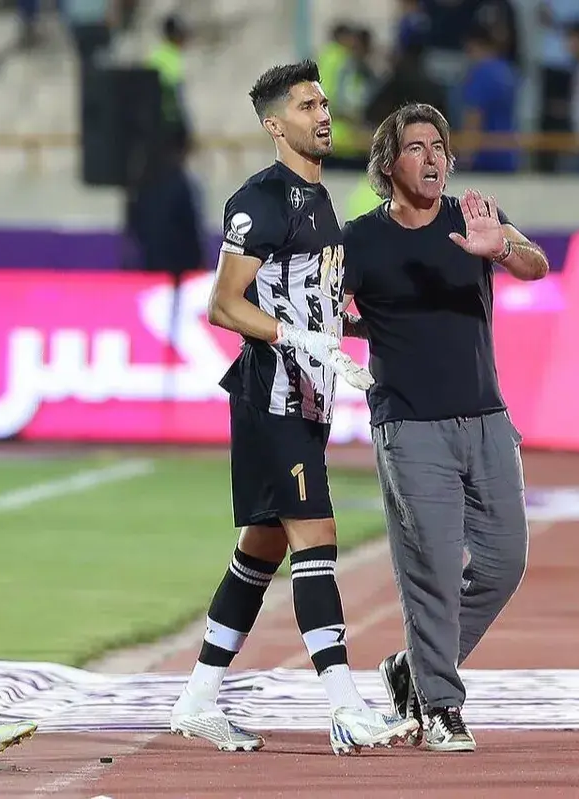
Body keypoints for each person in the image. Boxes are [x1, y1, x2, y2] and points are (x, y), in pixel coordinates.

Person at [167, 60, 419, 756]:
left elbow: (312, 299)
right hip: (271, 397)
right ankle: (345, 707)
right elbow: (224, 304)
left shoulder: (319, 198)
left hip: (308, 398)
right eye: (307, 106)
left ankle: (197, 699)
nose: (324, 114)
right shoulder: (263, 200)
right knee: (316, 539)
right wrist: (302, 338)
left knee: (261, 549)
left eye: (324, 102)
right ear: (275, 125)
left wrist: (354, 328)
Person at [340, 102, 549, 753]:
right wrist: (361, 324)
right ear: (388, 164)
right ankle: (440, 704)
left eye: (439, 147)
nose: (432, 158)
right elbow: (322, 307)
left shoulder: (474, 216)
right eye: (416, 147)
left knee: (505, 561)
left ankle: (413, 667)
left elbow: (536, 264)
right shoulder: (360, 238)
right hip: (409, 424)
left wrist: (502, 247)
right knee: (430, 567)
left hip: (486, 417)